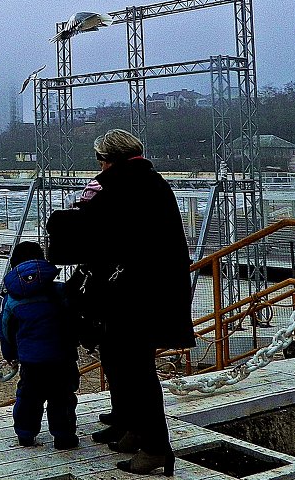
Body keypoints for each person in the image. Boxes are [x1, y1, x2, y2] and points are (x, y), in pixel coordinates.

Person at [47, 129, 194, 477]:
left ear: (106, 158)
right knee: (124, 365)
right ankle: (134, 430)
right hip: (151, 292)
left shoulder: (118, 187)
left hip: (131, 297)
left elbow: (91, 231)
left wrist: (60, 218)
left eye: (100, 158)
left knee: (135, 372)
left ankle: (156, 448)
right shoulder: (150, 182)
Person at [0, 240, 80, 450]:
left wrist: (10, 354)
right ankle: (63, 436)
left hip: (31, 360)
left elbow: (6, 332)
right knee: (62, 399)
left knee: (28, 398)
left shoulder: (12, 300)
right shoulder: (60, 291)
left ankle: (25, 435)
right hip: (62, 358)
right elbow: (74, 321)